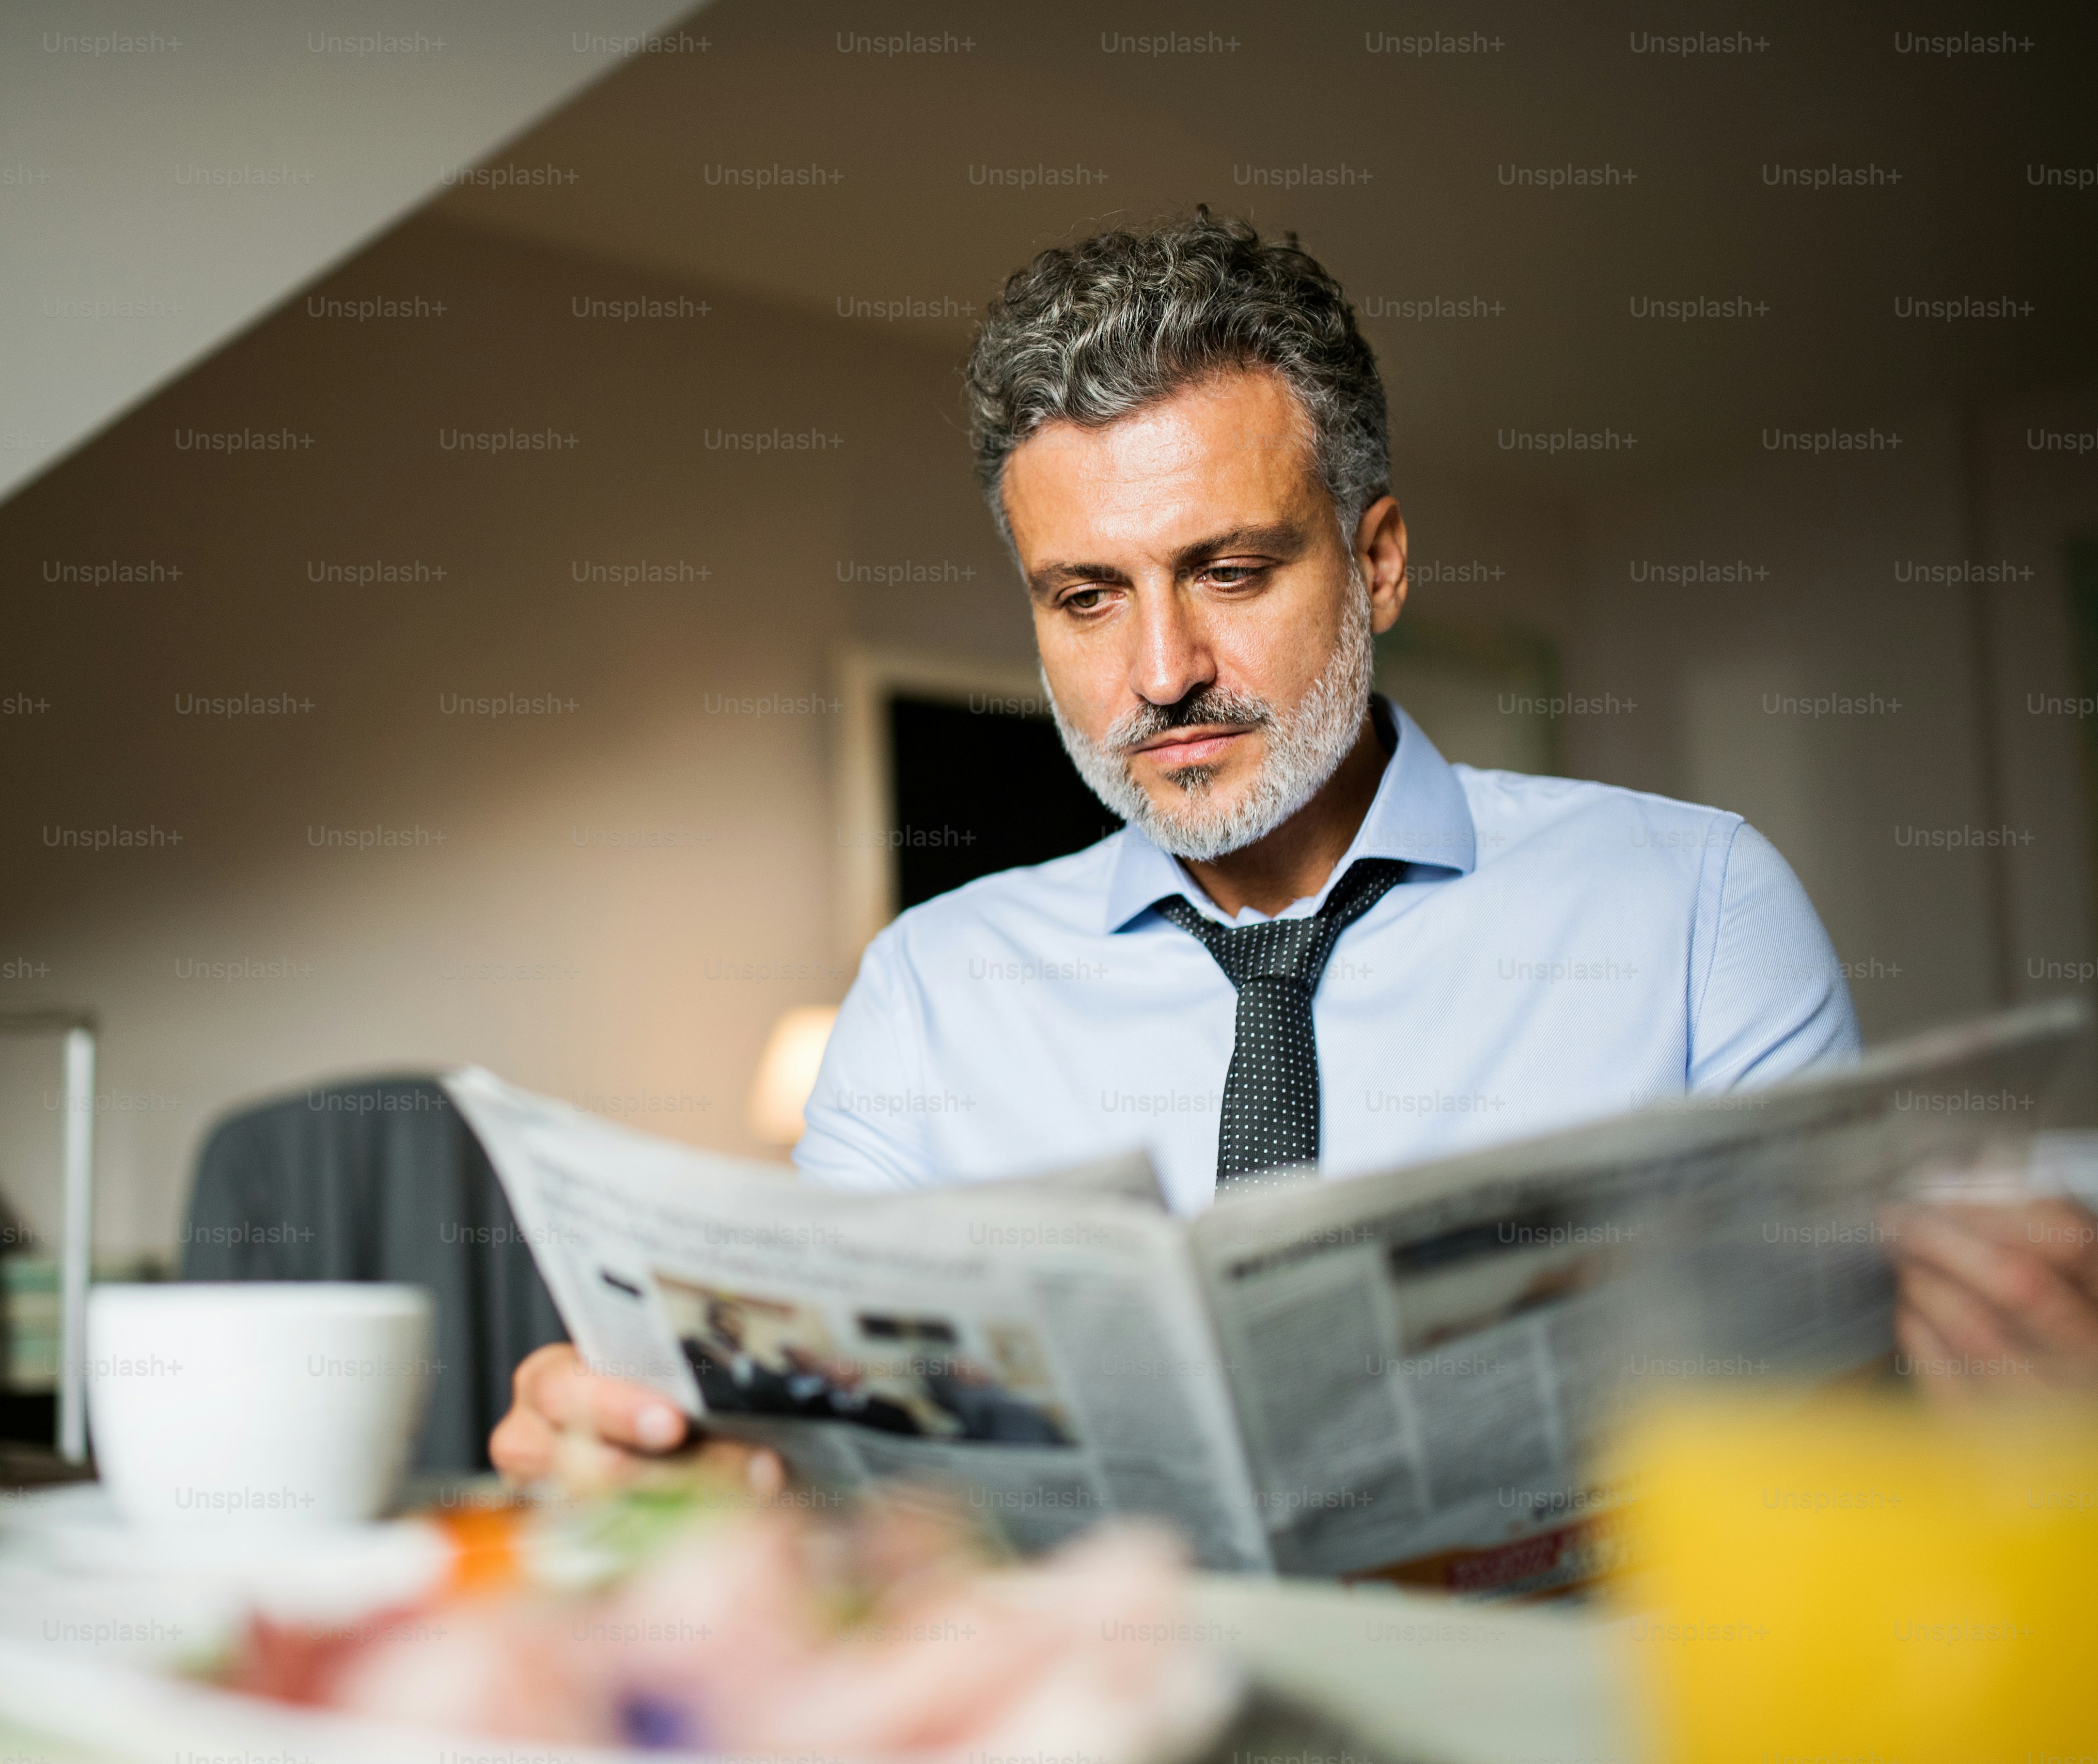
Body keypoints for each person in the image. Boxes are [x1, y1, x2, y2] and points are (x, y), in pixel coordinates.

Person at [489, 211, 2098, 1489]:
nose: (1163, 671)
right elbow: (830, 1469)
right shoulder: (928, 987)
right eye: (1087, 596)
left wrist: (2025, 1407)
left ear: (1378, 561)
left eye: (1233, 570)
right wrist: (685, 1470)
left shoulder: (1692, 906)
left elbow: (1850, 1439)